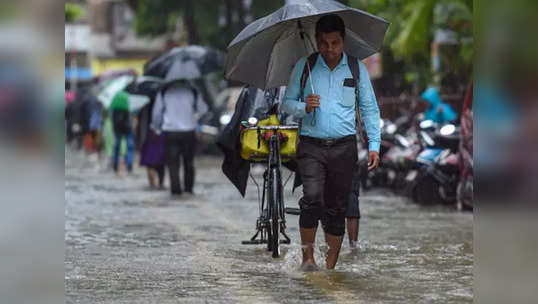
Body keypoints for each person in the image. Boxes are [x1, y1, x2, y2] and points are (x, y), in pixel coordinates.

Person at [282, 14, 381, 270]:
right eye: (324, 43)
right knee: (312, 197)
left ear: (343, 41)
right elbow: (288, 103)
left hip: (344, 147)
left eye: (335, 43)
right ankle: (307, 259)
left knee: (338, 207)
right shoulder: (305, 67)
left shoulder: (357, 68)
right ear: (316, 41)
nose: (330, 49)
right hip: (311, 146)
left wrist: (374, 145)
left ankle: (330, 267)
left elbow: (369, 109)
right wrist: (305, 107)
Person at [151, 80, 208, 196]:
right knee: (189, 162)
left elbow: (156, 113)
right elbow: (203, 109)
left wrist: (156, 128)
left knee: (172, 163)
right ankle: (188, 188)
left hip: (170, 131)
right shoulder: (192, 90)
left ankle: (175, 190)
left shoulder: (164, 91)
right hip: (188, 130)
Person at [110, 90, 134, 173]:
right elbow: (131, 116)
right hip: (128, 128)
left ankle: (115, 165)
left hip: (118, 129)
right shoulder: (128, 103)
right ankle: (129, 165)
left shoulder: (114, 105)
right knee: (129, 147)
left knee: (116, 147)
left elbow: (112, 118)